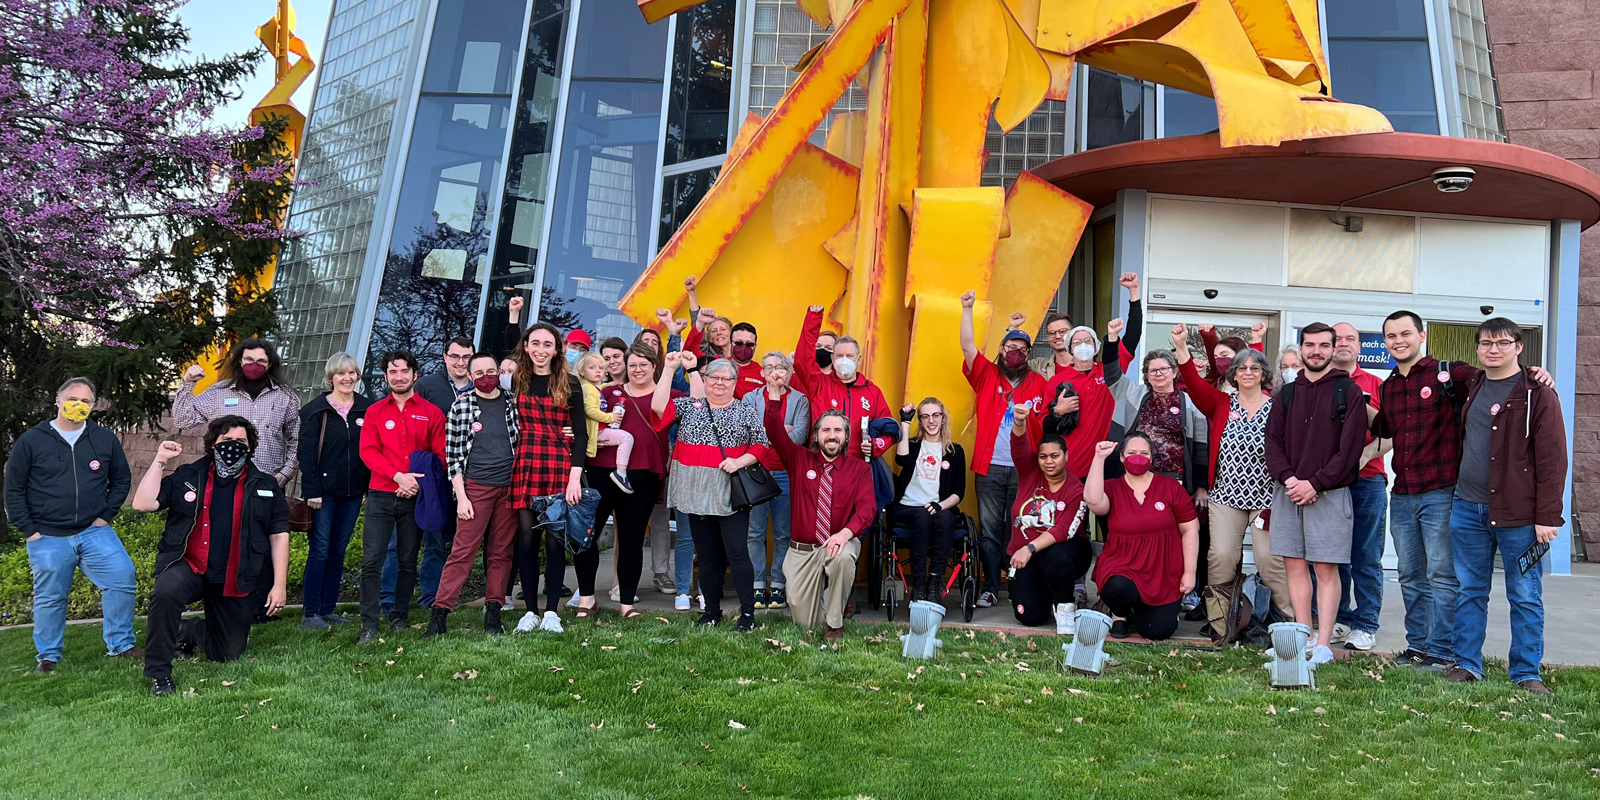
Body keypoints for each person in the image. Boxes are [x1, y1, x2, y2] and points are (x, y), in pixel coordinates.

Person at [1444, 319, 1566, 695]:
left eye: (1501, 343)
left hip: (1520, 516)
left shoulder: (1538, 394)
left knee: (1525, 593)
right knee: (1469, 589)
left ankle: (1527, 672)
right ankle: (1466, 664)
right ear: (1477, 349)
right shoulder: (1473, 385)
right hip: (1467, 508)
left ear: (1518, 347)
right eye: (1485, 344)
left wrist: (1548, 516)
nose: (1493, 349)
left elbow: (1552, 458)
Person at [133, 418, 289, 696]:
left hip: (234, 576)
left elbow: (279, 536)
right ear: (212, 445)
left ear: (250, 446)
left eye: (240, 442)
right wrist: (159, 460)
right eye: (225, 441)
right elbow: (143, 503)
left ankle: (189, 631)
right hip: (190, 565)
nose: (232, 447)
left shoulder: (266, 485)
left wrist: (279, 585)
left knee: (227, 653)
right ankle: (159, 672)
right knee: (166, 591)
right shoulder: (188, 476)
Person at [5, 377, 140, 672]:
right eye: (72, 399)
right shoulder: (32, 441)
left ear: (93, 406)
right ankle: (49, 656)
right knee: (51, 597)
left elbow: (121, 480)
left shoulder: (104, 439)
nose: (78, 405)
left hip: (94, 531)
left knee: (122, 577)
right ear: (58, 401)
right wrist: (29, 531)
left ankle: (122, 645)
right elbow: (13, 489)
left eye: (85, 401)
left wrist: (106, 515)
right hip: (47, 535)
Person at [1263, 322, 1370, 665]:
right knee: (1294, 566)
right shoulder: (1287, 394)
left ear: (1332, 348)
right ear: (1302, 348)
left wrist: (1315, 483)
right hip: (1289, 492)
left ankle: (1323, 644)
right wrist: (1291, 480)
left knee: (1326, 569)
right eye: (1310, 345)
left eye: (1324, 345)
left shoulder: (1347, 392)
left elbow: (1350, 450)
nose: (1316, 351)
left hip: (1330, 493)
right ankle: (1302, 636)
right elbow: (1273, 443)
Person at [173, 337, 300, 622]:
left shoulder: (286, 397)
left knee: (265, 544)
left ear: (270, 365)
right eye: (248, 360)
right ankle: (225, 603)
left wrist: (285, 474)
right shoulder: (218, 393)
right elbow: (183, 419)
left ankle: (264, 608)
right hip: (224, 484)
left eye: (261, 362)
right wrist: (187, 384)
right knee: (228, 541)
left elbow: (296, 439)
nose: (254, 366)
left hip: (268, 482)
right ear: (239, 361)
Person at [1172, 328, 1291, 623]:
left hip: (1267, 498)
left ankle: (1287, 624)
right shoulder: (1222, 403)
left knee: (1270, 561)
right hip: (1226, 496)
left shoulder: (1279, 408)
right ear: (1233, 375)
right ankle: (1220, 624)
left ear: (1264, 375)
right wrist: (1181, 345)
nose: (1247, 372)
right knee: (1222, 557)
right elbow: (1194, 382)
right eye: (1241, 368)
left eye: (1254, 368)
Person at [651, 354, 770, 632]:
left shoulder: (745, 411)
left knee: (737, 553)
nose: (719, 383)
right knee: (706, 556)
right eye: (713, 377)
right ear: (703, 381)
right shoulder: (688, 406)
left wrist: (738, 462)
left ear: (734, 383)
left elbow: (761, 445)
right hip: (695, 493)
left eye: (725, 378)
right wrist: (668, 369)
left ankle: (747, 615)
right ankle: (712, 613)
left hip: (730, 493)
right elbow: (658, 407)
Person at [960, 290, 1048, 609]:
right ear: (1002, 349)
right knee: (990, 533)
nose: (1016, 353)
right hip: (990, 468)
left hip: (1026, 471)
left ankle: (1018, 586)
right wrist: (967, 309)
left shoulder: (1039, 384)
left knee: (1021, 529)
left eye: (1023, 350)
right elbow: (968, 346)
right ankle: (991, 587)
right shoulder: (987, 376)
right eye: (1011, 347)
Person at [758, 404, 875, 641]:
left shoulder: (859, 469)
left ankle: (835, 624)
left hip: (838, 543)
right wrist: (774, 393)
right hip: (803, 550)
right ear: (816, 435)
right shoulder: (798, 459)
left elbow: (867, 508)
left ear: (846, 437)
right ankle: (839, 599)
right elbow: (774, 430)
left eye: (838, 431)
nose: (832, 435)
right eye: (826, 430)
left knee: (842, 557)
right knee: (805, 622)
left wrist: (845, 534)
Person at [425, 353, 520, 637]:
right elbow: (453, 458)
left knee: (501, 553)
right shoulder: (461, 406)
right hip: (475, 488)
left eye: (492, 371)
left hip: (509, 489)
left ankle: (494, 612)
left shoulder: (513, 403)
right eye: (479, 373)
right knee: (462, 552)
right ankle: (440, 614)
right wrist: (462, 497)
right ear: (470, 376)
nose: (486, 377)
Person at [356, 350, 447, 643]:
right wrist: (398, 476)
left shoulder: (432, 413)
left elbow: (440, 455)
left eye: (404, 371)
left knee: (408, 559)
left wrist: (419, 483)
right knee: (372, 560)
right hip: (382, 494)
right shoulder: (375, 412)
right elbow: (368, 451)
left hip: (415, 497)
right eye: (393, 372)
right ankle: (369, 623)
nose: (399, 377)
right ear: (386, 377)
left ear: (414, 375)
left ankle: (399, 616)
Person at [1108, 348, 1209, 612]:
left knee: (1179, 538)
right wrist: (1112, 340)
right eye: (1153, 370)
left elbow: (1200, 445)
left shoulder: (1190, 402)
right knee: (1139, 535)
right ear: (1147, 376)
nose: (1159, 374)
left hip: (1175, 482)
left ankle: (1185, 590)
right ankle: (1131, 590)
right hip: (1137, 478)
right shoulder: (1135, 395)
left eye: (1164, 369)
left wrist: (1200, 486)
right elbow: (1111, 374)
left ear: (1175, 372)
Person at [509, 323, 589, 633]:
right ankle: (530, 611)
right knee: (528, 540)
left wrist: (575, 477)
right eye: (535, 343)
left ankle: (552, 612)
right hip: (527, 462)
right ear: (526, 347)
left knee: (556, 541)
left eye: (547, 344)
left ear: (556, 349)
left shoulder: (570, 382)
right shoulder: (516, 381)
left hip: (559, 464)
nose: (541, 349)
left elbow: (581, 433)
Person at [590, 343, 678, 619]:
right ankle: (586, 599)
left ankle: (626, 604)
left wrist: (683, 369)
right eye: (632, 365)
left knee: (632, 539)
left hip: (645, 473)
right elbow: (590, 423)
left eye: (643, 364)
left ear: (654, 367)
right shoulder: (607, 392)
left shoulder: (668, 395)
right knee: (588, 534)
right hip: (602, 471)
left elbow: (697, 401)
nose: (637, 370)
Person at [1085, 434, 1200, 641]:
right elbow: (1094, 502)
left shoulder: (1171, 487)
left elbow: (1190, 530)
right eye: (1131, 453)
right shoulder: (1112, 487)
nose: (1138, 458)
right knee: (1119, 588)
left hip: (1162, 571)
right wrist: (1099, 458)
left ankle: (1138, 611)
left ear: (1151, 457)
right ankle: (1119, 613)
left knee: (1157, 631)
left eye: (1144, 453)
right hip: (1122, 565)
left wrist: (1189, 572)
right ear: (1121, 457)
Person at [296, 352, 372, 630]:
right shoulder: (316, 410)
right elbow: (306, 454)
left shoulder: (367, 408)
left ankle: (328, 609)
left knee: (338, 551)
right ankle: (310, 612)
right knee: (319, 550)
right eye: (341, 373)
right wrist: (312, 490)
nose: (347, 378)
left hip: (353, 492)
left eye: (351, 373)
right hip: (323, 494)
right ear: (331, 377)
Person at [1042, 275, 1142, 482]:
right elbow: (1044, 426)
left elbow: (1132, 336)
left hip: (1110, 463)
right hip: (1073, 467)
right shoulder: (1057, 382)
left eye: (1088, 340)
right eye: (1077, 342)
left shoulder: (1110, 372)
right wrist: (1058, 412)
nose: (1083, 344)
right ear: (1070, 348)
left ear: (1096, 346)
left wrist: (1134, 293)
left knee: (1108, 512)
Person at [1003, 404, 1090, 635]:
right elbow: (1019, 448)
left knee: (1054, 554)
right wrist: (1019, 422)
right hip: (1026, 557)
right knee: (1029, 617)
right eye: (1043, 456)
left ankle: (1065, 607)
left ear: (1066, 456)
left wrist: (1029, 548)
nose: (1048, 462)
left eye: (1054, 456)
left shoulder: (1076, 488)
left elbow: (1063, 530)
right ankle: (1047, 594)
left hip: (1065, 553)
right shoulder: (1030, 471)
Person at [406, 336, 477, 612]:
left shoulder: (481, 387)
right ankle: (429, 598)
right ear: (445, 357)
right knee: (433, 539)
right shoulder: (426, 386)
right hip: (435, 474)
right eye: (455, 356)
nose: (461, 362)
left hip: (471, 474)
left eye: (466, 357)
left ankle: (448, 595)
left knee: (461, 541)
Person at [744, 350, 810, 610]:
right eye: (769, 367)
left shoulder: (800, 400)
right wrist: (781, 430)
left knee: (783, 533)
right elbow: (749, 433)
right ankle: (758, 585)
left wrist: (772, 432)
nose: (775, 372)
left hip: (786, 473)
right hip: (757, 471)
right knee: (754, 532)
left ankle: (779, 587)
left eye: (781, 367)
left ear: (789, 372)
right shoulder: (750, 397)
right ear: (761, 373)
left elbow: (800, 436)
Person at [792, 305, 896, 460]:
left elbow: (890, 428)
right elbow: (802, 360)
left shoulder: (872, 392)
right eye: (840, 356)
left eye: (849, 356)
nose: (844, 360)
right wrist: (813, 319)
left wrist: (876, 445)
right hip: (821, 463)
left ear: (858, 359)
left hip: (856, 468)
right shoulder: (819, 384)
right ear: (833, 359)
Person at [890, 398, 967, 602]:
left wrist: (939, 505)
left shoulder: (954, 451)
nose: (931, 421)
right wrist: (905, 423)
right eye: (925, 416)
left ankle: (934, 581)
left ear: (943, 418)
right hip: (908, 508)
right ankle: (919, 582)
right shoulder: (914, 445)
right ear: (920, 421)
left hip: (940, 508)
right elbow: (901, 460)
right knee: (922, 516)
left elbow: (959, 492)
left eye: (935, 415)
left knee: (942, 518)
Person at [575, 352, 636, 493]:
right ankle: (621, 472)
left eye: (601, 368)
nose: (598, 371)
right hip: (596, 432)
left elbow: (597, 390)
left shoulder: (590, 387)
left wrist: (608, 385)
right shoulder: (588, 389)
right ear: (581, 371)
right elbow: (590, 410)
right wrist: (610, 417)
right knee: (627, 438)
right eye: (592, 367)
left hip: (598, 430)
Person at [1198, 323, 1267, 387]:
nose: (1220, 361)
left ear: (1239, 355)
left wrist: (1256, 339)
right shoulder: (1214, 385)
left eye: (1224, 355)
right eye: (1216, 358)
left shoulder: (1252, 385)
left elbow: (1253, 361)